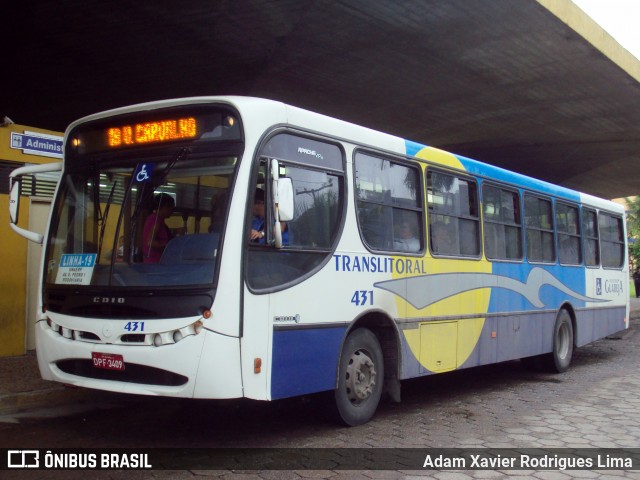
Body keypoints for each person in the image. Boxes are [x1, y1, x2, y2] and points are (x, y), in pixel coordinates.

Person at [142, 193, 176, 263]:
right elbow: (150, 242)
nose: (172, 211)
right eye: (171, 208)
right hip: (154, 261)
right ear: (165, 207)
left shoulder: (155, 219)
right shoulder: (156, 220)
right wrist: (169, 246)